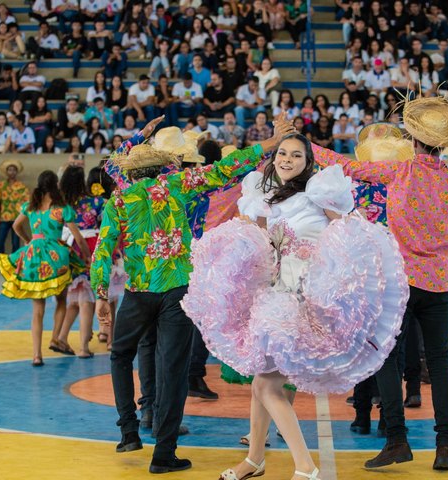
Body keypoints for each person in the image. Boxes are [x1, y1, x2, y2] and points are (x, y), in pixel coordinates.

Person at [184, 129, 406, 480]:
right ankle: (255, 460)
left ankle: (304, 466)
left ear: (307, 162)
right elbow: (255, 238)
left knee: (268, 386)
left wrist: (330, 268)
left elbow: (349, 230)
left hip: (305, 295)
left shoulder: (317, 192)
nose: (286, 160)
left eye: (296, 155)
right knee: (263, 381)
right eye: (282, 154)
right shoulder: (264, 194)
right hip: (277, 290)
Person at [90, 115, 293, 474]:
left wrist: (101, 295)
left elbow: (104, 249)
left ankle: (128, 432)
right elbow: (229, 167)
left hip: (138, 291)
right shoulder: (177, 184)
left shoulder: (119, 198)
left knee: (121, 355)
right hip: (177, 290)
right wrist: (271, 142)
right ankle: (163, 454)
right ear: (163, 167)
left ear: (133, 171)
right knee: (173, 370)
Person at [311, 95, 448, 471]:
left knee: (386, 358)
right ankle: (444, 446)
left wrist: (302, 145)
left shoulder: (400, 171)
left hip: (401, 285)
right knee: (439, 364)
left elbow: (347, 166)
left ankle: (397, 439)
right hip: (438, 287)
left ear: (416, 140)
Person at [0, 170, 89, 366]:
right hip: (56, 256)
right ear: (55, 185)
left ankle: (36, 355)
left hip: (34, 256)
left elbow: (16, 226)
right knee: (61, 299)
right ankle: (55, 337)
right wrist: (87, 256)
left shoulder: (30, 206)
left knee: (38, 309)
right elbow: (77, 237)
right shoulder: (61, 208)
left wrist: (30, 241)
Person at [56, 166, 105, 358]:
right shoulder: (96, 202)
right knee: (87, 301)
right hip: (87, 247)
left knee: (75, 299)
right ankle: (83, 347)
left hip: (66, 249)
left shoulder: (61, 206)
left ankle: (61, 337)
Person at [0, 159, 30, 255]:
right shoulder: (1, 185)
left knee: (15, 244)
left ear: (17, 172)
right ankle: (2, 265)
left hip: (16, 218)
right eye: (9, 169)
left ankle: (14, 265)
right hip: (4, 217)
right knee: (0, 242)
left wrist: (23, 217)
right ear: (6, 172)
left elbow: (27, 202)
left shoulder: (22, 186)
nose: (12, 172)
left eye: (14, 170)